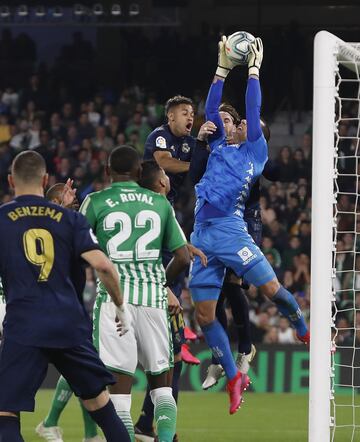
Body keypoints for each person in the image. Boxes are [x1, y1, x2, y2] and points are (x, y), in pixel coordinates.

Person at [189, 36, 310, 415]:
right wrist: (222, 69)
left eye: (247, 122)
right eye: (238, 121)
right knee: (205, 315)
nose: (242, 122)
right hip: (202, 236)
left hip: (231, 229)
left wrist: (254, 69)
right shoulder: (220, 146)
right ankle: (232, 376)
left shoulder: (254, 151)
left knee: (273, 290)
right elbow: (212, 108)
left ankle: (306, 330)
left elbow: (253, 106)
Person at [0, 151, 131, 442]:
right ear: (45, 179)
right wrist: (120, 307)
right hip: (68, 325)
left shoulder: (2, 220)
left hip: (24, 325)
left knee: (5, 414)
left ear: (11, 181)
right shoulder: (69, 219)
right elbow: (103, 266)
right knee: (102, 408)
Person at [80, 145, 190, 442]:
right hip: (154, 301)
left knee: (119, 396)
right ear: (141, 173)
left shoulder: (94, 201)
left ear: (107, 171)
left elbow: (75, 251)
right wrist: (159, 282)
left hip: (115, 305)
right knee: (162, 389)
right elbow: (183, 257)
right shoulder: (160, 203)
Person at [192, 113, 284, 390]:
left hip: (245, 221)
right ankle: (220, 358)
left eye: (229, 120)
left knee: (233, 285)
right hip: (212, 224)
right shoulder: (220, 149)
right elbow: (195, 176)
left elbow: (274, 172)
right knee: (213, 294)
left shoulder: (251, 149)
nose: (227, 125)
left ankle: (245, 348)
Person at [138, 96, 197, 441]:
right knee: (165, 353)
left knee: (166, 354)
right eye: (184, 113)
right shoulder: (160, 138)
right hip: (149, 278)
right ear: (169, 116)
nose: (190, 117)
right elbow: (164, 161)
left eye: (192, 112)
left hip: (165, 244)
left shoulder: (162, 212)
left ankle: (149, 425)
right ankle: (155, 428)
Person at [36, 180, 102, 442]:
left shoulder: (68, 225)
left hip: (69, 307)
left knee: (80, 369)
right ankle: (82, 432)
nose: (75, 197)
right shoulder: (56, 229)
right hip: (58, 310)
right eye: (68, 195)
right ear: (54, 203)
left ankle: (78, 431)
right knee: (84, 369)